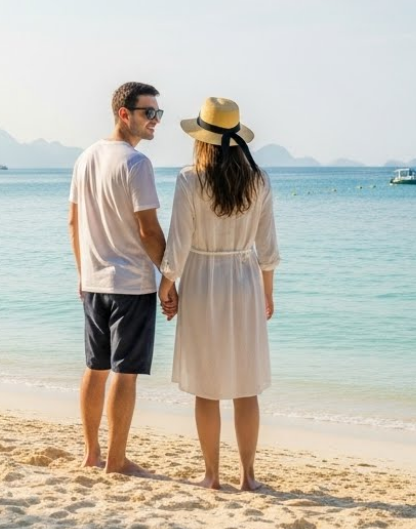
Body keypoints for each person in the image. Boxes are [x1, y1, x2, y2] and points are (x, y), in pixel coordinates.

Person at [160, 97, 279, 492]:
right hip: (244, 281)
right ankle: (248, 477)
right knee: (245, 387)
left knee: (207, 386)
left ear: (201, 139)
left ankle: (211, 475)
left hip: (202, 282)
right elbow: (267, 249)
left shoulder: (190, 179)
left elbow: (178, 243)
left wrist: (167, 285)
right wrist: (267, 294)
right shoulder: (259, 180)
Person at [69, 81, 166, 475]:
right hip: (131, 284)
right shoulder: (135, 163)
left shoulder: (85, 158)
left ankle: (91, 453)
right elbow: (148, 229)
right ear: (124, 114)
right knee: (125, 374)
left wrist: (82, 272)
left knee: (95, 368)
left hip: (94, 283)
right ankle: (117, 460)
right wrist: (172, 275)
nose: (155, 121)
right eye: (149, 113)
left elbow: (73, 221)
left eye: (158, 113)